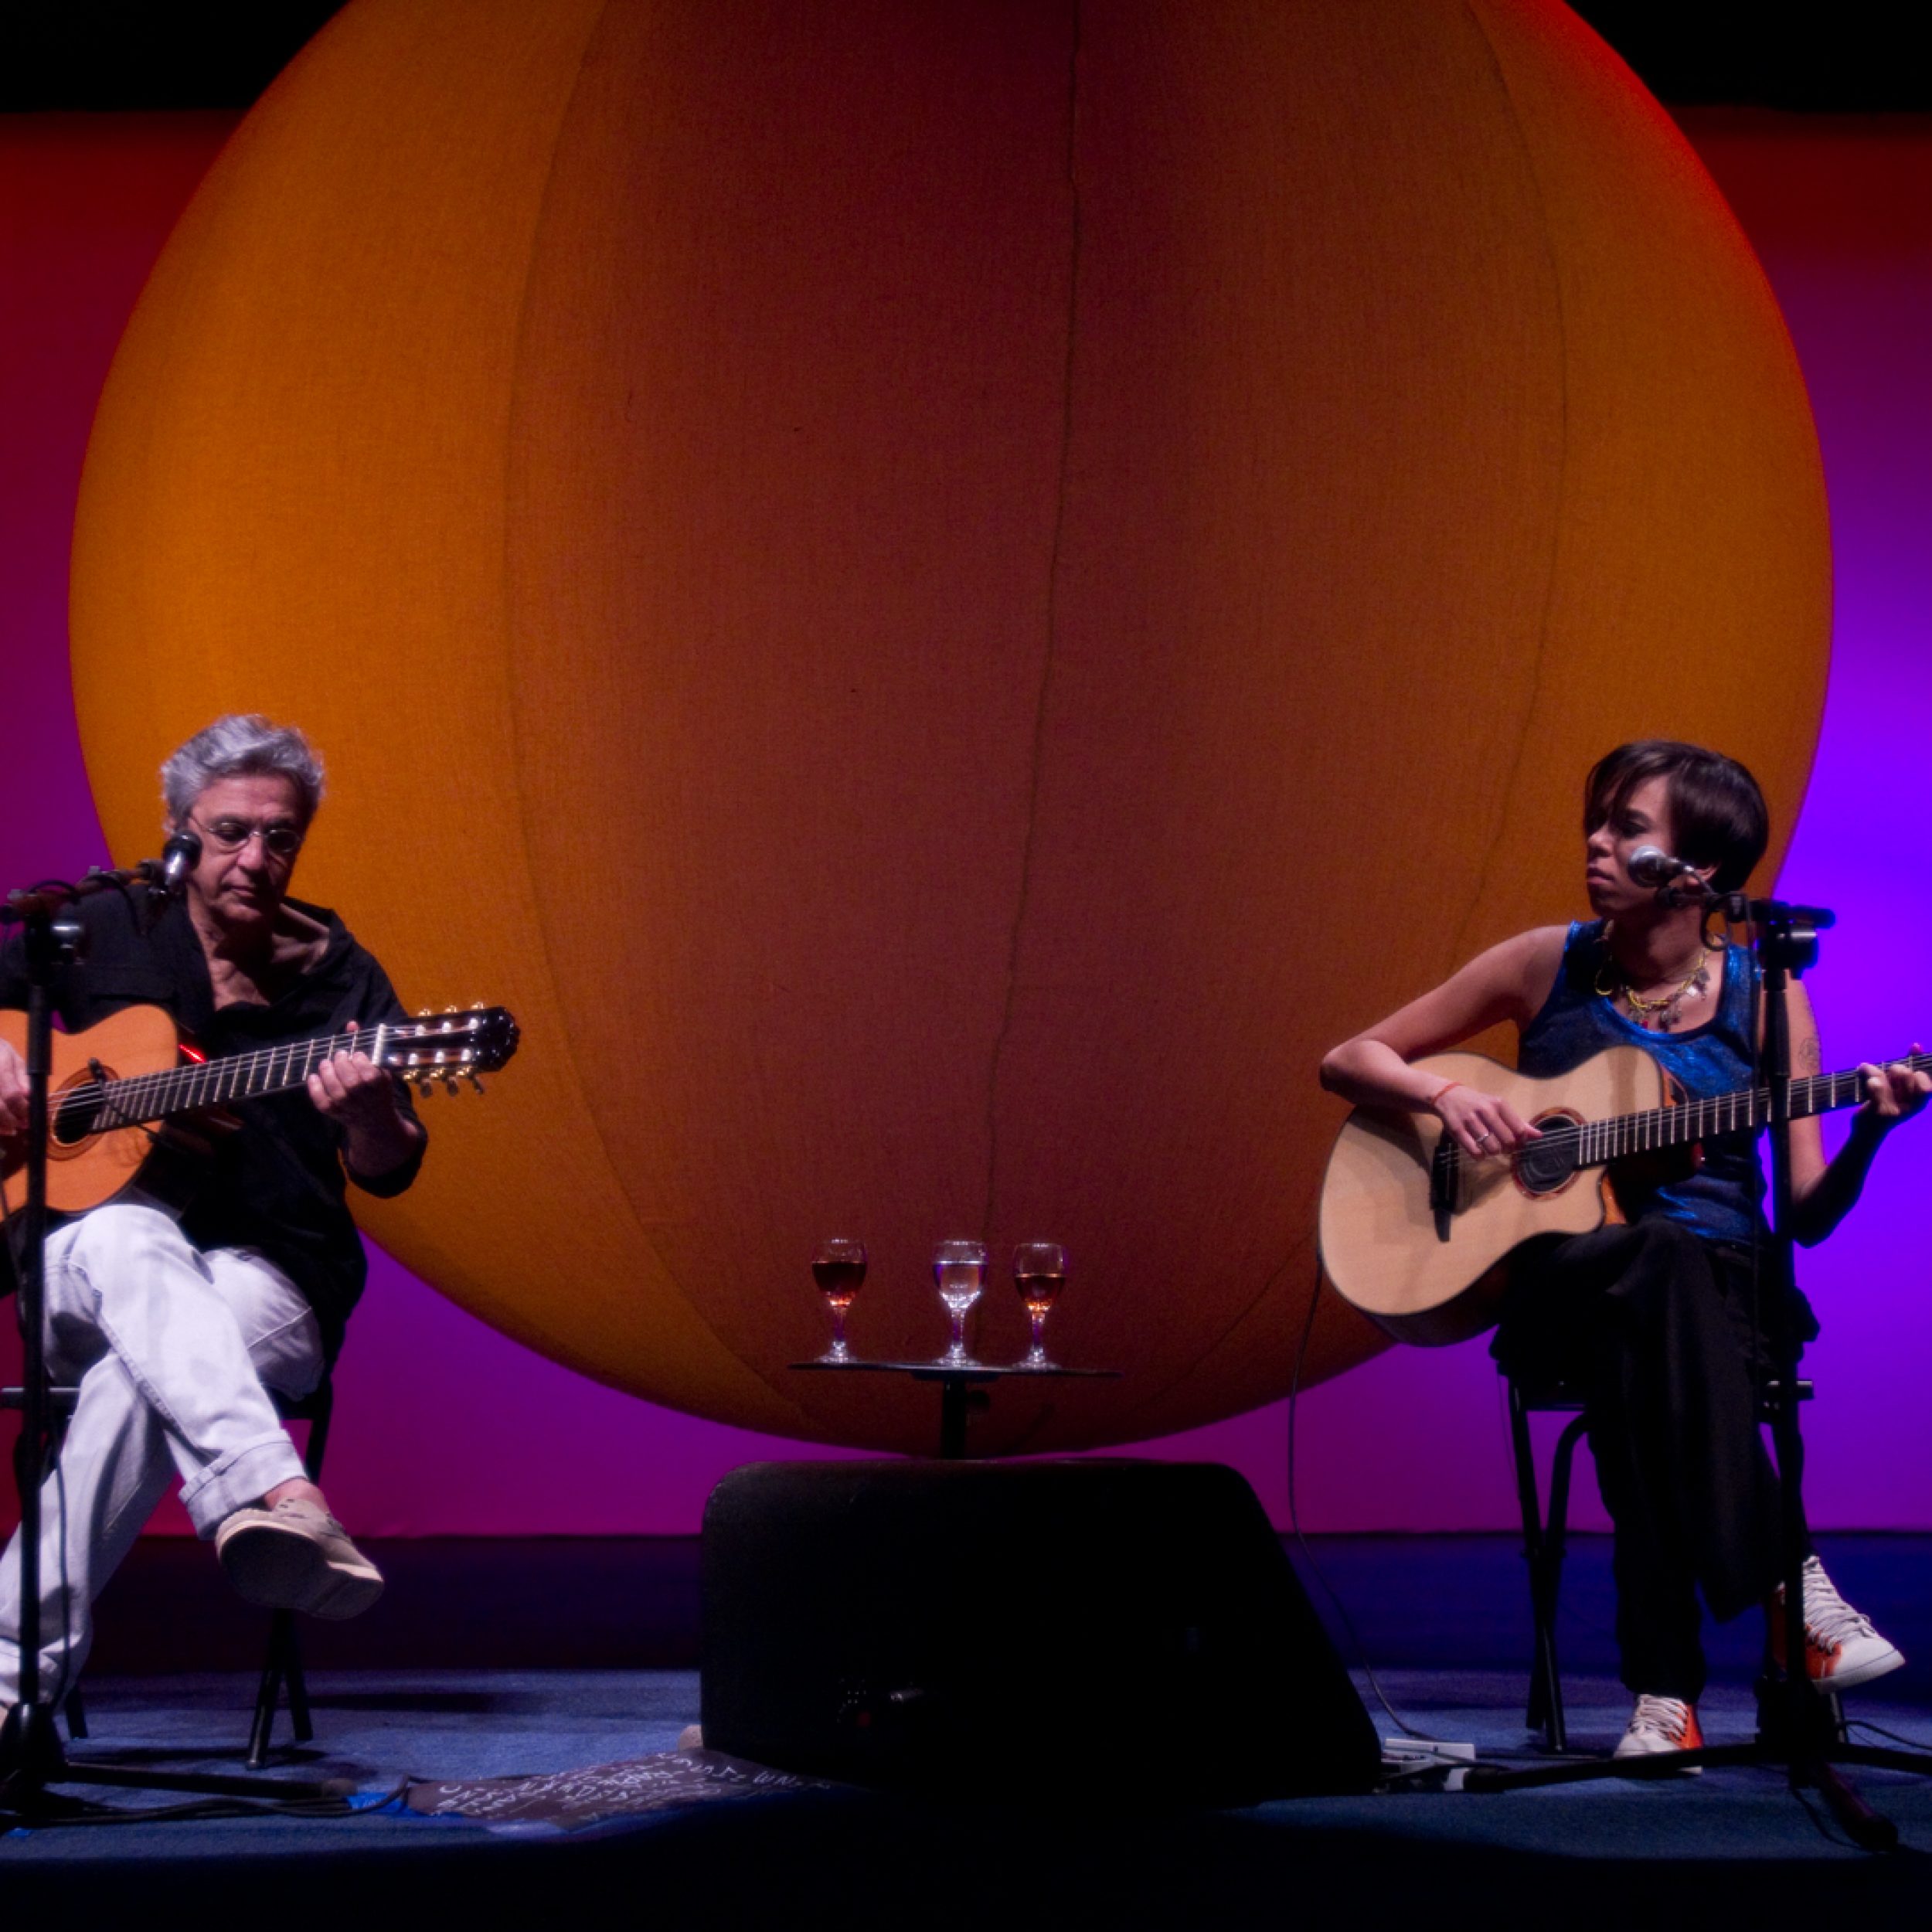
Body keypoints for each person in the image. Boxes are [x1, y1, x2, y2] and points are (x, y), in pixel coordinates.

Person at [1320, 740, 1930, 1762]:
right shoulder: (1544, 960)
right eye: (1599, 821)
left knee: (1648, 1347)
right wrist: (1449, 1093)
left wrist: (1872, 1126)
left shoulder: (1767, 994)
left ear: (1696, 875)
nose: (1597, 845)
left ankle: (1665, 1695)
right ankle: (1789, 1590)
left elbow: (1809, 1213)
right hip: (1564, 1279)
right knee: (1646, 1270)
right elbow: (1350, 1059)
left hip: (1720, 1295)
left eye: (1628, 830)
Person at [1, 715, 426, 1723]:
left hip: (271, 1275)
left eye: (281, 837)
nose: (257, 856)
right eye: (231, 832)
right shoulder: (109, 921)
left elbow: (392, 1168)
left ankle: (8, 1687)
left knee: (152, 1372)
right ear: (180, 833)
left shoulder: (342, 975)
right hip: (81, 1270)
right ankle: (280, 1494)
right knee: (121, 1234)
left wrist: (371, 1117)